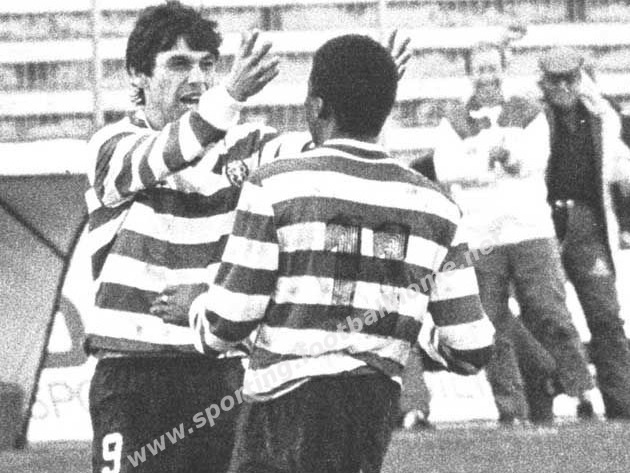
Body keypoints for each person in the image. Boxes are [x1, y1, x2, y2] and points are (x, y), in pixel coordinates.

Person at [155, 34, 494, 472]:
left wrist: (195, 308)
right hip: (371, 409)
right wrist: (412, 331)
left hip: (281, 410)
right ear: (387, 107)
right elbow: (472, 346)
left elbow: (228, 323)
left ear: (316, 106)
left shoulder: (274, 185)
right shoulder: (437, 207)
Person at [84, 2, 281, 472]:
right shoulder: (111, 145)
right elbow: (169, 152)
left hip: (218, 375)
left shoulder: (247, 146)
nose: (197, 79)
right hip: (131, 375)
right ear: (138, 75)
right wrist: (230, 96)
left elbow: (318, 162)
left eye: (207, 65)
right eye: (178, 64)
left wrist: (360, 103)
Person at [433, 42, 596, 424]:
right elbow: (446, 168)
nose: (487, 76)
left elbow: (535, 159)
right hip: (481, 238)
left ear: (504, 69)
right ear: (469, 73)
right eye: (480, 69)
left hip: (530, 230)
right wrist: (488, 158)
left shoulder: (529, 111)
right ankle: (512, 409)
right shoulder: (453, 119)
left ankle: (582, 392)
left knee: (550, 312)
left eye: (493, 67)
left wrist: (501, 156)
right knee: (489, 324)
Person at [539, 46, 630, 420]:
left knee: (605, 313)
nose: (563, 87)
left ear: (582, 80)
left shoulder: (603, 117)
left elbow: (622, 167)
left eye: (570, 78)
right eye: (554, 79)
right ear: (543, 82)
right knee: (546, 314)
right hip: (541, 224)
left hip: (587, 224)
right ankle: (553, 398)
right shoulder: (530, 117)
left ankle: (622, 401)